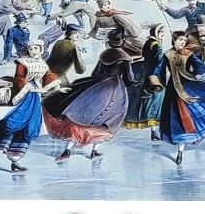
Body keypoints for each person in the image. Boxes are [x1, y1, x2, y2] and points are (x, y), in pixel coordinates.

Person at [42, 25, 140, 160]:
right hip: (115, 90)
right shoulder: (125, 57)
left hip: (98, 85)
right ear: (122, 41)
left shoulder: (104, 55)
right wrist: (131, 82)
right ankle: (94, 151)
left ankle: (67, 150)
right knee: (106, 121)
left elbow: (96, 73)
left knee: (80, 119)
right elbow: (129, 78)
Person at [152, 30, 205, 167]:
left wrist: (199, 74)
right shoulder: (167, 54)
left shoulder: (188, 54)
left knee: (195, 113)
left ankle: (197, 136)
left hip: (189, 85)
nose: (182, 43)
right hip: (173, 90)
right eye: (180, 40)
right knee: (177, 119)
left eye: (184, 41)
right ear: (174, 40)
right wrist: (155, 80)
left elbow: (199, 65)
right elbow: (158, 70)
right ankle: (180, 152)